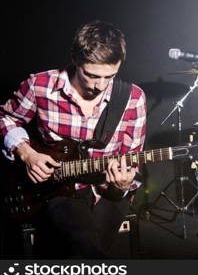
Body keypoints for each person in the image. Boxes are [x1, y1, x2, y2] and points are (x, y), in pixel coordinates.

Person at [0, 20, 146, 258]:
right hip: (59, 187)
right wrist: (27, 153)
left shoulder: (133, 98)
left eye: (110, 76)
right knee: (84, 243)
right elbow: (5, 118)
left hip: (107, 188)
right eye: (92, 75)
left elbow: (131, 160)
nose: (101, 85)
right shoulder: (40, 85)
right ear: (75, 60)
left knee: (92, 251)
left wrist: (123, 184)